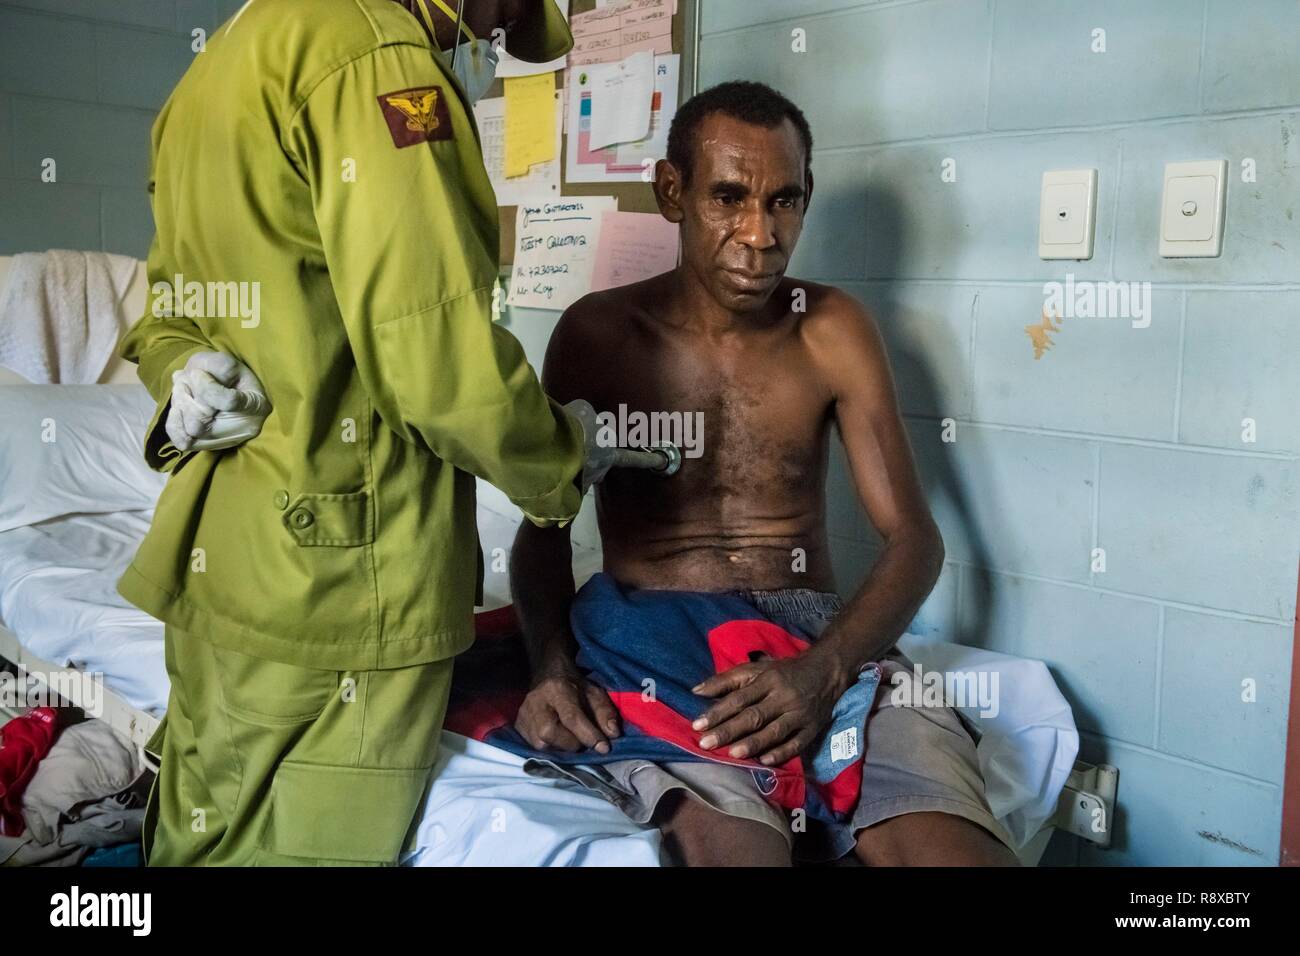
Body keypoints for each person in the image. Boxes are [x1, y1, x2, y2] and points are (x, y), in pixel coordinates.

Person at [117, 0, 598, 866]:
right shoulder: (381, 57)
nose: (482, 44)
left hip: (224, 557)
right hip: (341, 568)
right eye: (505, 17)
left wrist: (178, 374)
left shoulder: (215, 67)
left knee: (202, 836)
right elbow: (438, 364)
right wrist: (563, 463)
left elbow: (169, 308)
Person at [509, 81, 1020, 866]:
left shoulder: (833, 329)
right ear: (672, 193)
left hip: (815, 639)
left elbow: (915, 539)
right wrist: (549, 665)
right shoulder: (598, 336)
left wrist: (826, 669)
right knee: (741, 854)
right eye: (729, 197)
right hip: (651, 639)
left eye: (784, 201)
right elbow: (543, 533)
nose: (759, 234)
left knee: (952, 854)